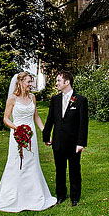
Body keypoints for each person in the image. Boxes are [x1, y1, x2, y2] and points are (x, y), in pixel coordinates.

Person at [0, 72, 57, 212]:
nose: (30, 85)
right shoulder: (12, 99)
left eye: (31, 82)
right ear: (20, 82)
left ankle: (33, 195)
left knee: (32, 162)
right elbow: (6, 118)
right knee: (16, 162)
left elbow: (36, 117)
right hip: (17, 135)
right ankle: (12, 195)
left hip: (31, 135)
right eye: (28, 82)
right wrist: (16, 128)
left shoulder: (32, 97)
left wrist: (45, 133)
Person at [42, 70, 89, 206]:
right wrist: (46, 136)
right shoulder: (55, 100)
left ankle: (75, 197)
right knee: (59, 170)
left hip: (73, 143)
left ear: (67, 82)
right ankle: (61, 195)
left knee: (75, 170)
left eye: (58, 81)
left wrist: (81, 143)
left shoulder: (80, 100)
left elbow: (83, 124)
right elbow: (50, 119)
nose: (56, 83)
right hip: (58, 141)